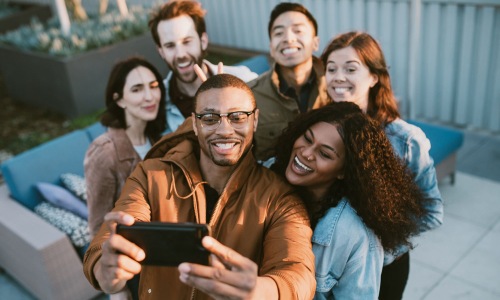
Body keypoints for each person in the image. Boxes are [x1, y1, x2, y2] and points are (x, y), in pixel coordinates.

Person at [83, 74, 316, 299]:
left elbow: (298, 273)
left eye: (237, 117)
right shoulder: (151, 174)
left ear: (254, 120)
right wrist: (106, 270)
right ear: (194, 124)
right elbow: (104, 244)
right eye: (210, 118)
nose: (225, 130)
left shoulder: (280, 197)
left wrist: (263, 291)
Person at [320, 31, 444, 299]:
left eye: (350, 68)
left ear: (374, 77)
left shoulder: (406, 140)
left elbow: (432, 212)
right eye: (331, 69)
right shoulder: (319, 130)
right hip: (326, 268)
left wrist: (378, 247)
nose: (338, 76)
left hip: (385, 270)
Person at [272, 102, 428, 299]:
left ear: (343, 171)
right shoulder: (270, 174)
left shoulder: (355, 235)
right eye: (307, 138)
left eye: (325, 154)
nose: (306, 153)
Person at [84, 56, 166, 299]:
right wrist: (117, 290)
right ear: (118, 99)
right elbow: (98, 225)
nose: (150, 97)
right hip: (133, 267)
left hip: (163, 256)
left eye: (153, 86)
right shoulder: (104, 151)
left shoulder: (158, 140)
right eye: (137, 89)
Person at [148, 0, 258, 134]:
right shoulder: (155, 103)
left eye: (187, 42)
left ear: (203, 41)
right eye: (170, 46)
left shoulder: (244, 81)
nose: (180, 54)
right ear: (161, 52)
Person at [248, 2, 330, 162]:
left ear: (315, 42)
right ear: (271, 47)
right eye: (279, 33)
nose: (288, 38)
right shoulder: (250, 96)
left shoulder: (335, 87)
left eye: (298, 31)